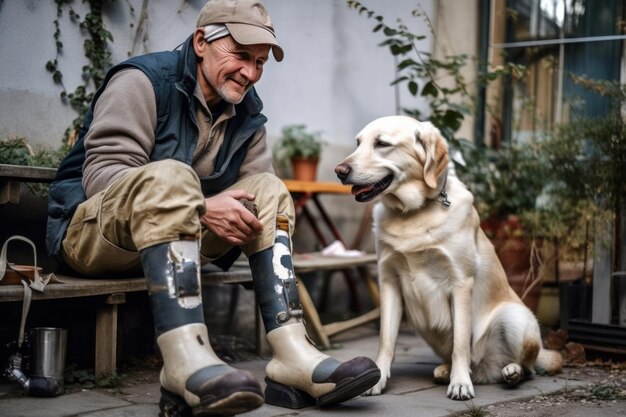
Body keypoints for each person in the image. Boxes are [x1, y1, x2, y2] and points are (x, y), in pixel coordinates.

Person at [46, 0, 380, 416]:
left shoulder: (247, 114)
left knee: (271, 189)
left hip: (176, 243)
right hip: (93, 237)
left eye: (260, 63)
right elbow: (104, 178)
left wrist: (227, 215)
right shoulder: (142, 81)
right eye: (241, 56)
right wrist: (202, 207)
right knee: (172, 175)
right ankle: (183, 360)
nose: (251, 73)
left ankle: (292, 354)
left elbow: (258, 202)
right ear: (202, 41)